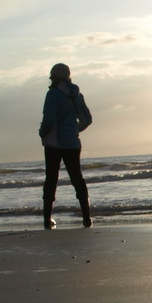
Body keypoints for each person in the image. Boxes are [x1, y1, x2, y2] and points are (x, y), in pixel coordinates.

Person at [39, 63, 93, 228]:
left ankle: (47, 219)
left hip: (54, 143)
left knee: (51, 180)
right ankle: (86, 218)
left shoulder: (53, 94)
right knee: (77, 178)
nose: (50, 78)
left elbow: (49, 119)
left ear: (55, 77)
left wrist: (42, 133)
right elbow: (87, 119)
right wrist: (75, 129)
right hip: (72, 142)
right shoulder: (77, 95)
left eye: (51, 75)